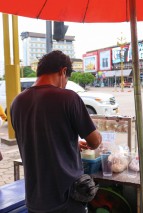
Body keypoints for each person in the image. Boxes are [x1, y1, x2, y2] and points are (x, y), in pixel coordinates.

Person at [10, 50, 102, 213]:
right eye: (67, 79)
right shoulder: (68, 98)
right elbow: (94, 142)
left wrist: (71, 142)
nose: (66, 83)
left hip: (35, 200)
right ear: (63, 71)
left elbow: (38, 138)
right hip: (66, 198)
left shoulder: (17, 102)